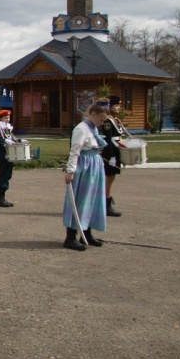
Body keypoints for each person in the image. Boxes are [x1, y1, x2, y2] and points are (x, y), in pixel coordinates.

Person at [62, 102, 109, 251]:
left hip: (95, 165)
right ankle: (70, 237)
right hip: (85, 166)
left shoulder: (92, 128)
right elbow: (75, 151)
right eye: (101, 120)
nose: (102, 123)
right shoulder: (81, 129)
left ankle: (86, 233)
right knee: (80, 200)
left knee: (92, 200)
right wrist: (70, 171)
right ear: (93, 114)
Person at [0, 109, 25, 207]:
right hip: (4, 154)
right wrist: (4, 141)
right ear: (1, 118)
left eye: (9, 117)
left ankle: (2, 198)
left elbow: (12, 140)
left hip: (10, 154)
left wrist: (20, 140)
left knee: (7, 176)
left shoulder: (7, 128)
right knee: (3, 176)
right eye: (5, 117)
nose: (7, 119)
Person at [100, 95, 124, 217]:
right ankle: (106, 204)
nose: (119, 107)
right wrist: (111, 156)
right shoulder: (108, 122)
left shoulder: (115, 120)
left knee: (112, 178)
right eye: (116, 105)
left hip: (116, 151)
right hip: (110, 153)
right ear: (109, 106)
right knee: (109, 179)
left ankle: (106, 200)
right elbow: (107, 140)